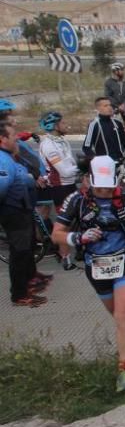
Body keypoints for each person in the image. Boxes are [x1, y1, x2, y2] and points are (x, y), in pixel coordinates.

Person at [53, 156, 125, 391]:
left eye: (109, 185)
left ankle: (124, 372)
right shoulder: (76, 200)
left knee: (123, 314)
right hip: (95, 264)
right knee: (117, 314)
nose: (105, 190)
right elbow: (56, 233)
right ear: (90, 180)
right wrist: (77, 238)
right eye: (100, 186)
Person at [0, 122, 45, 306]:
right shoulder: (2, 160)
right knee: (19, 253)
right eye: (13, 136)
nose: (16, 138)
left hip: (22, 209)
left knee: (26, 250)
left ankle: (28, 284)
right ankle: (18, 295)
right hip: (13, 212)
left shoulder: (9, 157)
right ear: (2, 140)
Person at [37, 112, 80, 270]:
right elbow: (66, 171)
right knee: (64, 225)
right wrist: (81, 168)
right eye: (62, 123)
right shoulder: (48, 145)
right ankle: (65, 258)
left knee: (81, 217)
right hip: (60, 187)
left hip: (69, 184)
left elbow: (70, 165)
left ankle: (80, 250)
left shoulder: (61, 141)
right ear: (54, 126)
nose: (66, 124)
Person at [82, 97, 125, 163]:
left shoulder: (117, 123)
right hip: (105, 165)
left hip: (119, 161)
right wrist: (96, 160)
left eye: (110, 105)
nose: (109, 107)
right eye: (105, 106)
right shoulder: (94, 124)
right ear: (98, 109)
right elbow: (86, 147)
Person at [104, 63, 125, 138]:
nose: (123, 72)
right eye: (121, 70)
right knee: (113, 127)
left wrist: (124, 105)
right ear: (115, 71)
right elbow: (108, 96)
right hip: (114, 108)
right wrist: (118, 106)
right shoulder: (109, 82)